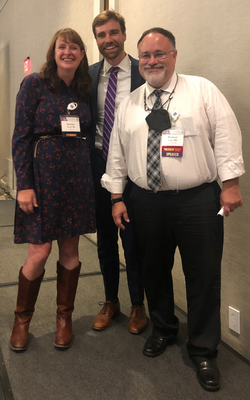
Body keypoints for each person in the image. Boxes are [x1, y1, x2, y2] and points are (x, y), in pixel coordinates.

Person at [101, 27, 245, 391]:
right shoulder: (131, 102)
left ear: (174, 55)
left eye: (159, 53)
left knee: (203, 274)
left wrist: (230, 184)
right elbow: (116, 154)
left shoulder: (201, 90)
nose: (152, 61)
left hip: (197, 199)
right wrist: (117, 196)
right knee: (153, 268)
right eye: (146, 55)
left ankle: (203, 350)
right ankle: (163, 329)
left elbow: (226, 135)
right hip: (145, 200)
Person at [11, 28, 95, 351]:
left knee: (71, 251)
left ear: (82, 54)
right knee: (40, 251)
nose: (68, 52)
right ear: (54, 51)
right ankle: (22, 319)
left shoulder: (84, 88)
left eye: (75, 47)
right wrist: (24, 185)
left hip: (76, 179)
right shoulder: (35, 83)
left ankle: (64, 319)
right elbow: (20, 136)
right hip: (42, 179)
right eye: (63, 46)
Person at [88, 10, 147, 334]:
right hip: (98, 164)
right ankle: (111, 300)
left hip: (134, 167)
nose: (108, 40)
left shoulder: (143, 71)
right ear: (96, 40)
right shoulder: (90, 74)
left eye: (113, 33)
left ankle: (138, 304)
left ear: (124, 34)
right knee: (105, 239)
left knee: (133, 239)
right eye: (101, 35)